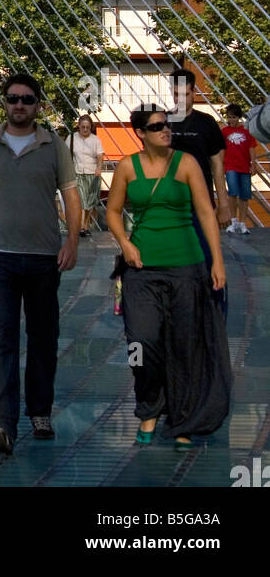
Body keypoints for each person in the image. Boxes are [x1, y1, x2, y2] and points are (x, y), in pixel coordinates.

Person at [0, 73, 80, 455]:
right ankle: (2, 422)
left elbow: (72, 197)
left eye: (27, 99)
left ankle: (39, 411)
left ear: (38, 105)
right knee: (1, 339)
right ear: (4, 102)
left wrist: (73, 240)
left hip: (44, 256)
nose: (19, 105)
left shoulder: (54, 146)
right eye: (13, 98)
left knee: (43, 338)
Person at [106, 104, 231, 449]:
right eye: (157, 126)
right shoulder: (128, 167)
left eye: (167, 125)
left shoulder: (187, 163)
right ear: (141, 133)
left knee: (185, 346)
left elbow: (206, 212)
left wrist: (216, 262)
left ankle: (183, 420)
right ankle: (150, 407)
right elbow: (113, 212)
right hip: (141, 271)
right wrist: (126, 244)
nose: (166, 131)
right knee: (141, 342)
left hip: (186, 266)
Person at [169, 67, 230, 315]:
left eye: (184, 93)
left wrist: (224, 205)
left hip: (201, 207)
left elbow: (217, 166)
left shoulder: (207, 124)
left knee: (209, 261)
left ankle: (216, 315)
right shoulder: (163, 123)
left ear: (194, 92)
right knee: (174, 265)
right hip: (171, 208)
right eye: (175, 93)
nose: (179, 99)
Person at [221, 103, 259, 235]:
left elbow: (252, 147)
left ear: (239, 117)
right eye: (229, 117)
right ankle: (233, 221)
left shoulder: (247, 131)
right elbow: (222, 150)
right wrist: (220, 165)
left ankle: (242, 223)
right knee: (232, 193)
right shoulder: (224, 132)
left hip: (244, 166)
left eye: (233, 117)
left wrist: (253, 164)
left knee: (244, 196)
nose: (231, 120)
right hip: (230, 166)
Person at [73, 114, 104, 236]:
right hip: (78, 172)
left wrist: (99, 168)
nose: (85, 130)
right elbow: (65, 153)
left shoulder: (95, 140)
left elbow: (100, 155)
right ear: (79, 127)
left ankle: (85, 225)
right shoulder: (72, 138)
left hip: (92, 172)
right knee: (81, 200)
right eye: (83, 127)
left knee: (90, 201)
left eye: (87, 127)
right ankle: (81, 226)